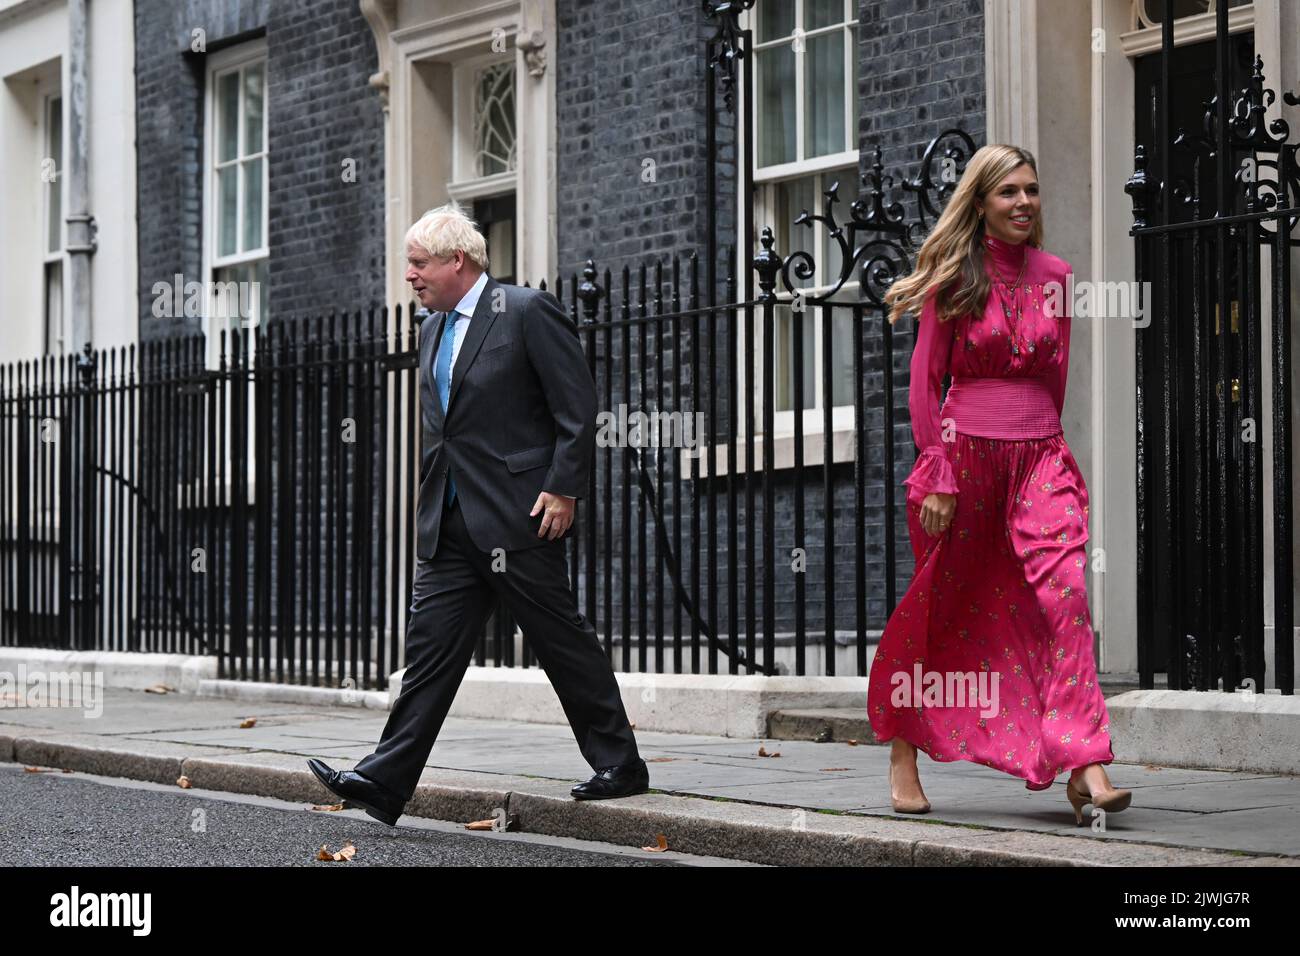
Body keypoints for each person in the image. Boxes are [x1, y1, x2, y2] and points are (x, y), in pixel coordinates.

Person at [309, 203, 647, 826]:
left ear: (455, 261)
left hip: (519, 514)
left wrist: (564, 488)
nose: (409, 275)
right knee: (430, 653)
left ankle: (621, 762)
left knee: (559, 641)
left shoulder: (523, 311)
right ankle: (385, 781)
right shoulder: (431, 329)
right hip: (450, 520)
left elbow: (576, 407)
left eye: (418, 263)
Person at [867, 144, 1131, 826]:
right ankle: (904, 747)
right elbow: (926, 384)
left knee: (1065, 595)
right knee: (946, 608)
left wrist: (1053, 452)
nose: (1023, 203)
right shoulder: (953, 278)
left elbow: (1055, 377)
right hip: (964, 458)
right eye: (1008, 191)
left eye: (1032, 191)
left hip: (1037, 455)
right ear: (981, 201)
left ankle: (1086, 758)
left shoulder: (1057, 276)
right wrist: (937, 472)